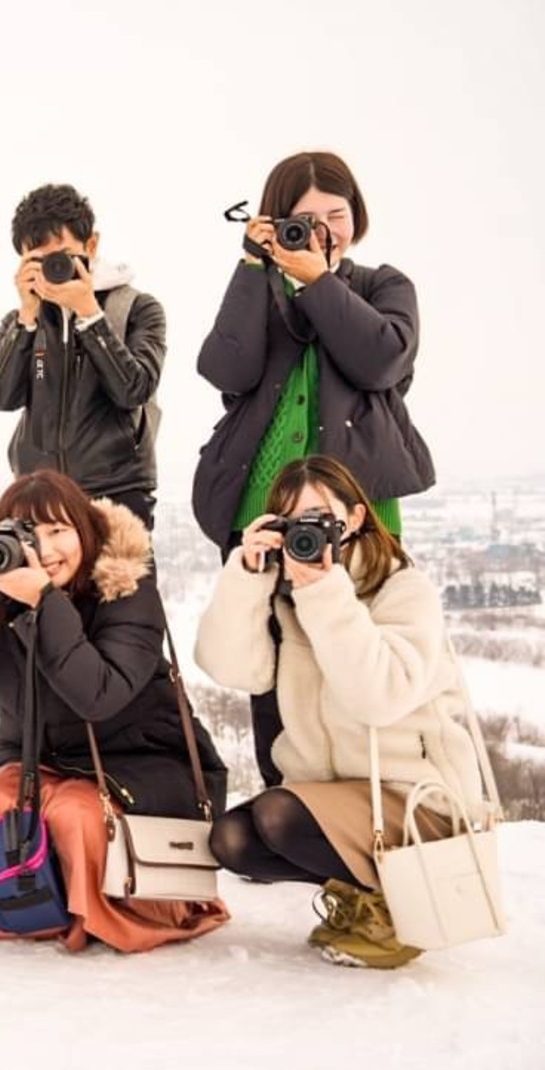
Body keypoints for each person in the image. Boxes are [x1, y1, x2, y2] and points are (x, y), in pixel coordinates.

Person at [190, 150, 434, 786]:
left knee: (358, 656)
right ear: (273, 222)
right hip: (260, 507)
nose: (324, 228)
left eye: (338, 214)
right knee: (269, 662)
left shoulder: (384, 286)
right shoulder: (259, 288)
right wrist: (254, 266)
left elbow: (381, 361)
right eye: (303, 219)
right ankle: (286, 804)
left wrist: (320, 282)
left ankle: (365, 808)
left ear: (357, 217)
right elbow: (227, 369)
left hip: (359, 511)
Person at [0, 470, 228, 951]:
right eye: (29, 534)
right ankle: (13, 909)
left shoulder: (126, 591)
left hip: (139, 763)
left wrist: (46, 602)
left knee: (77, 812)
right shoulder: (5, 596)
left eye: (58, 531)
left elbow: (97, 694)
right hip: (44, 761)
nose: (45, 549)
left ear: (85, 530)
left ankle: (100, 917)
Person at [195, 456, 487, 969]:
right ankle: (362, 893)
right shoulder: (285, 599)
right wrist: (246, 576)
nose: (304, 532)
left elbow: (379, 696)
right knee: (233, 839)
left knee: (277, 816)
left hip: (409, 799)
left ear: (353, 519)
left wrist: (324, 592)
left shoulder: (401, 587)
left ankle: (392, 911)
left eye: (318, 517)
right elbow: (234, 670)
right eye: (290, 521)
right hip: (332, 800)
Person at [0, 183, 167, 528]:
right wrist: (26, 319)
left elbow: (134, 390)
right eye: (38, 259)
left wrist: (90, 316)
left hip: (118, 498)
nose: (53, 268)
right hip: (40, 500)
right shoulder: (21, 321)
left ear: (91, 244)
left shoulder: (136, 309)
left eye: (61, 256)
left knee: (125, 583)